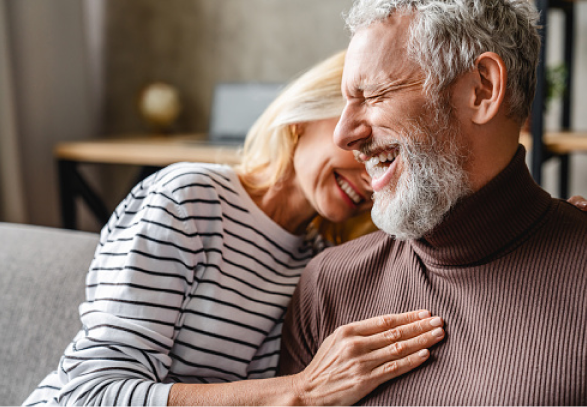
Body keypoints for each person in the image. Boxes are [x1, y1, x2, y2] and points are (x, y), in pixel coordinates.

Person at [23, 50, 447, 407]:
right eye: (361, 146)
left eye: (386, 160)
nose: (369, 175)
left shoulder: (319, 262)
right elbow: (90, 393)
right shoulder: (189, 198)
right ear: (304, 117)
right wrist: (301, 391)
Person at [279, 1, 587, 405]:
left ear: (482, 89)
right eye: (345, 102)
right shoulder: (328, 285)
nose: (344, 134)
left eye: (373, 95)